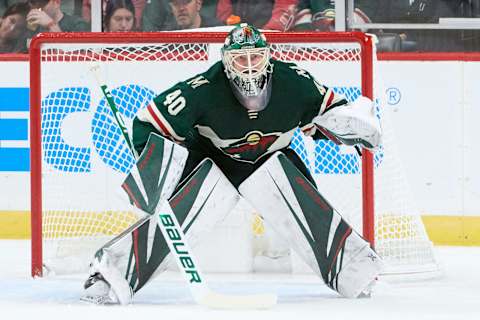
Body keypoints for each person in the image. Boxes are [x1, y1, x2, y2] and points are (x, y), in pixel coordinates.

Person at [81, 23, 384, 305]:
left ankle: (354, 270)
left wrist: (351, 125)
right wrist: (156, 170)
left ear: (269, 57)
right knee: (181, 217)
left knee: (303, 203)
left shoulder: (294, 82)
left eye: (256, 56)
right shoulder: (203, 89)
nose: (250, 65)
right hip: (213, 163)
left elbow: (330, 115)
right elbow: (148, 123)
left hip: (270, 159)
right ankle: (110, 273)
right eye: (241, 59)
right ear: (227, 62)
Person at [216, 0, 298, 31]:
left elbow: (284, 10)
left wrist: (261, 36)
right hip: (237, 38)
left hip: (270, 42)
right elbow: (223, 15)